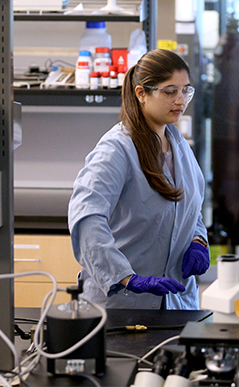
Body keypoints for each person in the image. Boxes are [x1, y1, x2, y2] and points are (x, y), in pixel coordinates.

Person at [68, 49, 210, 309]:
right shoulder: (117, 149)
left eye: (186, 91)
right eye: (170, 92)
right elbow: (87, 219)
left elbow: (191, 211)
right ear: (141, 93)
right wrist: (125, 278)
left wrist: (198, 241)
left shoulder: (178, 145)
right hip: (123, 306)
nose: (181, 100)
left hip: (176, 303)